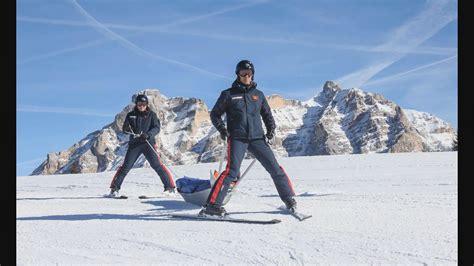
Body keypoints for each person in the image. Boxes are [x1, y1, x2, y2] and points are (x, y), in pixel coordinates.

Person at [201, 60, 296, 216]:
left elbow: (267, 114)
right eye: (243, 73)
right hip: (237, 138)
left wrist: (271, 129)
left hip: (257, 138)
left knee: (275, 169)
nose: (246, 76)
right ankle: (212, 206)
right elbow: (215, 114)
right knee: (231, 172)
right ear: (238, 74)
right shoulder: (228, 94)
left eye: (249, 74)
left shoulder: (258, 95)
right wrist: (222, 129)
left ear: (253, 75)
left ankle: (289, 199)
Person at [107, 94, 176, 197]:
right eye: (139, 104)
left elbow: (156, 128)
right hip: (135, 144)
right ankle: (114, 189)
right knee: (126, 166)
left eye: (143, 104)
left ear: (147, 105)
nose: (141, 106)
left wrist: (148, 134)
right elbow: (126, 128)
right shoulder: (131, 115)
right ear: (136, 104)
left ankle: (169, 188)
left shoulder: (151, 115)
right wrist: (126, 129)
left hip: (148, 143)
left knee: (157, 165)